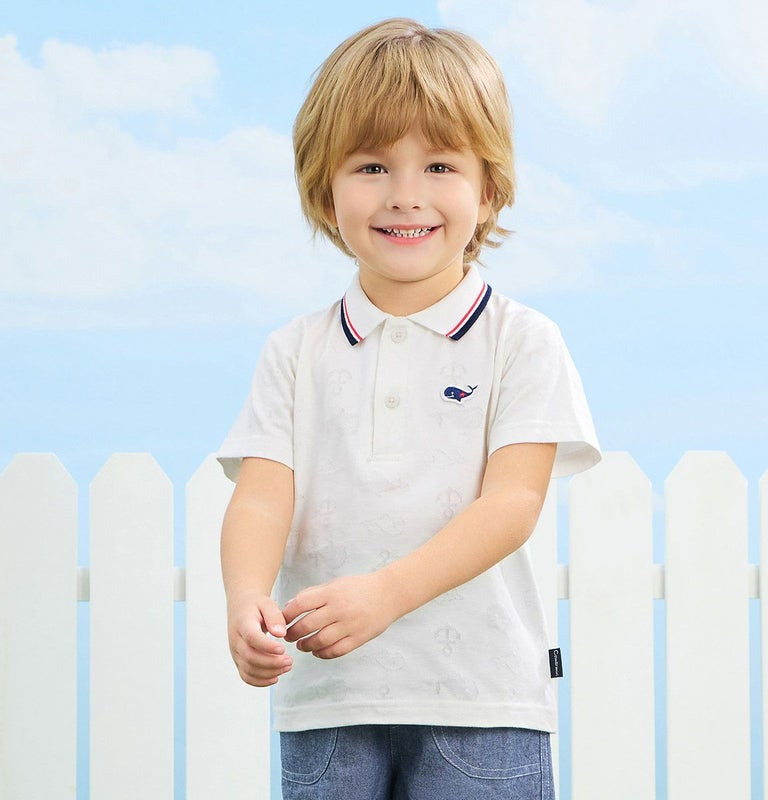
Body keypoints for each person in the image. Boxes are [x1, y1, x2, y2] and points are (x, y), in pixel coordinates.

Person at [217, 17, 600, 800]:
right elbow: (260, 499)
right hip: (329, 700)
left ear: (487, 189)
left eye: (439, 165)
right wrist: (246, 600)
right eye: (371, 166)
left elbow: (512, 505)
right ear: (324, 189)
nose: (405, 195)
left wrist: (386, 594)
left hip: (483, 701)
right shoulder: (294, 352)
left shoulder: (521, 341)